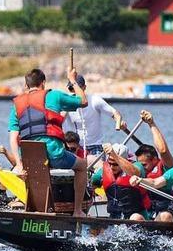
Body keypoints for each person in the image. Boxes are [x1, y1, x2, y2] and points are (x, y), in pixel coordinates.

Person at [9, 67, 89, 217]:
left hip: (30, 157)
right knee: (82, 166)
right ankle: (78, 211)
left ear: (26, 86)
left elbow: (13, 138)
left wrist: (19, 165)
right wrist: (72, 80)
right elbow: (83, 101)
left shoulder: (16, 105)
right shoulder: (54, 96)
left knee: (37, 170)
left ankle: (33, 209)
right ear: (43, 83)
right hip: (54, 153)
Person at [63, 75, 126, 162]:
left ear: (84, 88)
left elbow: (115, 113)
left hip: (94, 146)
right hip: (73, 146)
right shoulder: (65, 102)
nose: (74, 92)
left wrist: (119, 121)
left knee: (98, 171)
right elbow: (58, 120)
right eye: (71, 88)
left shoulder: (94, 100)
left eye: (77, 88)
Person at [135, 110, 173, 218]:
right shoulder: (138, 170)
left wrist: (151, 124)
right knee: (136, 217)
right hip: (149, 212)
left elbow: (163, 150)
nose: (141, 168)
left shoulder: (167, 167)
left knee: (164, 216)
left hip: (169, 212)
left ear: (155, 160)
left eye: (144, 165)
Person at [91, 143, 149, 220]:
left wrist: (114, 155)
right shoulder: (102, 172)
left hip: (136, 215)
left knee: (135, 217)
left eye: (115, 164)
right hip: (114, 217)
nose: (111, 167)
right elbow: (91, 187)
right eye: (110, 163)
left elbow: (135, 173)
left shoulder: (137, 166)